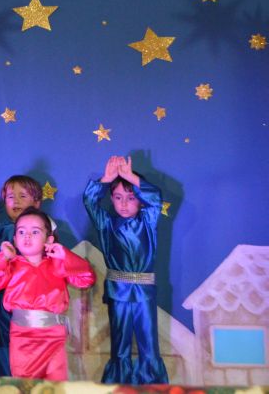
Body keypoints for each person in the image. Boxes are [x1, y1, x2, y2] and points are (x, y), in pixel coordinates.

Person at [0, 207, 95, 380]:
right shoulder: (11, 265)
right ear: (14, 239)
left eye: (35, 232)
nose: (27, 236)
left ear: (49, 239)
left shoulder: (57, 264)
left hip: (55, 336)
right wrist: (3, 257)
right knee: (25, 384)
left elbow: (86, 278)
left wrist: (65, 256)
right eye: (21, 232)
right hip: (22, 337)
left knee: (55, 384)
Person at [84, 155, 168, 384]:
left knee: (148, 344)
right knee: (119, 346)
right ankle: (118, 384)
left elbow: (156, 198)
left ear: (140, 200)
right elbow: (89, 201)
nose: (123, 204)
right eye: (118, 197)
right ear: (111, 198)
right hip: (118, 292)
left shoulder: (148, 220)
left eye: (131, 198)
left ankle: (152, 386)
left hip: (144, 293)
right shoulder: (106, 223)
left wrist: (131, 177)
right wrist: (106, 179)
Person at [0, 175, 44, 377]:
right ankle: (6, 384)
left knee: (33, 348)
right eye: (10, 197)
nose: (16, 201)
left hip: (34, 301)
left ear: (36, 202)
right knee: (5, 345)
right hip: (4, 301)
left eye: (23, 196)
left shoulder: (43, 232)